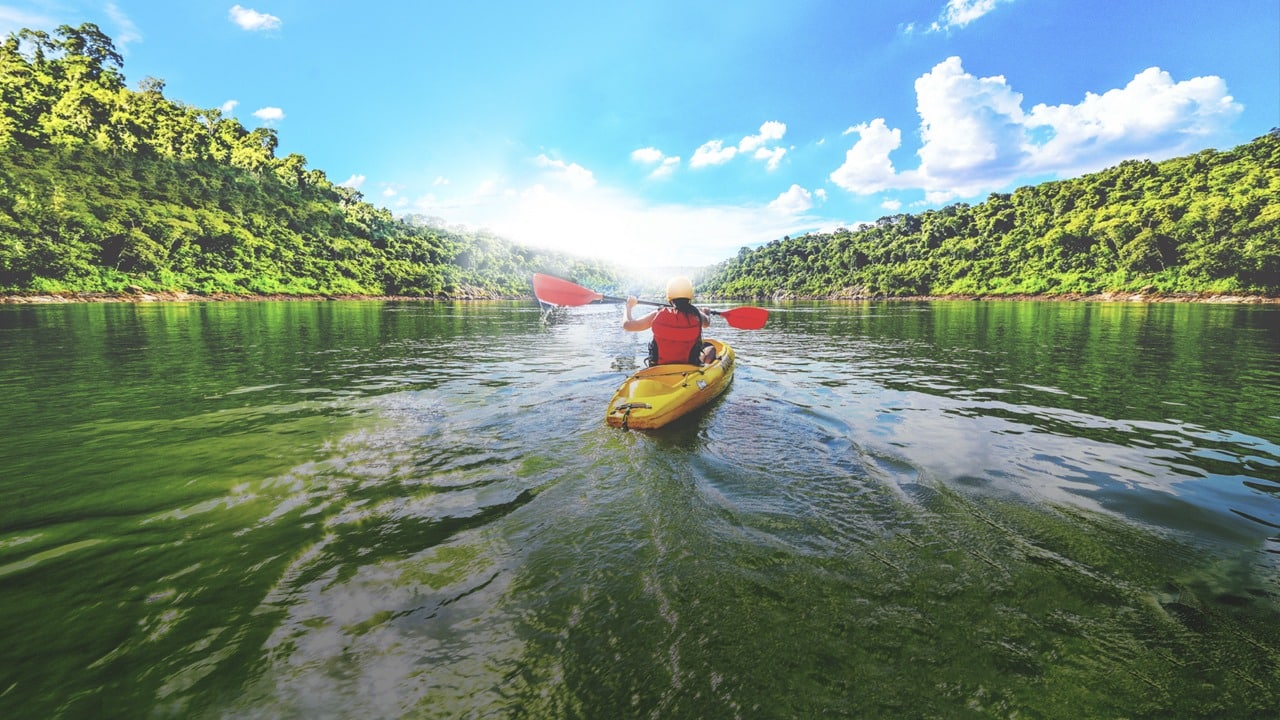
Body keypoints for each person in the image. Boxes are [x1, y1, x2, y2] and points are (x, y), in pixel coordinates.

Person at [623, 276, 716, 366]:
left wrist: (629, 307)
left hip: (659, 367)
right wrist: (706, 312)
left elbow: (627, 325)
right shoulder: (697, 315)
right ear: (690, 296)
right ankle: (705, 370)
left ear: (669, 297)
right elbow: (706, 323)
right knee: (710, 348)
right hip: (688, 367)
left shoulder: (657, 314)